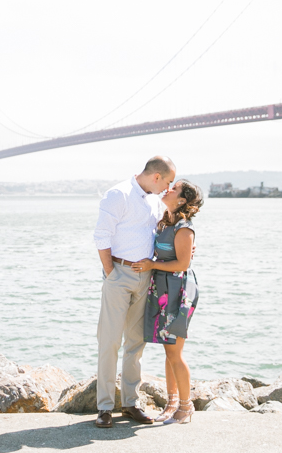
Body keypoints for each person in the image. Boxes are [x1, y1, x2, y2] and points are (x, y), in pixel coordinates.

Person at [92, 156, 177, 428]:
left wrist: (185, 246)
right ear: (156, 177)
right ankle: (104, 408)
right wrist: (111, 273)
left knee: (135, 343)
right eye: (168, 181)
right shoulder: (118, 194)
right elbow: (101, 236)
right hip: (119, 274)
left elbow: (158, 232)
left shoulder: (154, 199)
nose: (169, 187)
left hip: (146, 277)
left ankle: (130, 403)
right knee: (109, 342)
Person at [131, 179, 203, 425]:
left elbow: (183, 265)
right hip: (162, 289)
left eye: (175, 188)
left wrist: (151, 265)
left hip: (177, 291)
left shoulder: (184, 228)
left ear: (182, 200)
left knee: (175, 352)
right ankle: (173, 403)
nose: (168, 188)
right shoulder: (165, 222)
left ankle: (185, 407)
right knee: (169, 350)